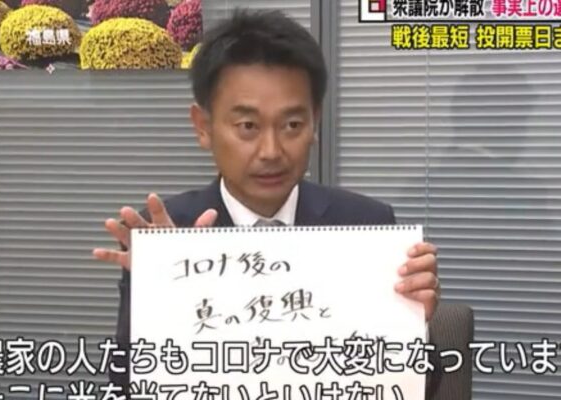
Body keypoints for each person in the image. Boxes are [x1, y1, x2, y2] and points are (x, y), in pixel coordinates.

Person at [93, 9, 441, 397]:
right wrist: (161, 300)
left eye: (292, 124)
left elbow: (421, 388)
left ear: (314, 122)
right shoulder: (169, 235)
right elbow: (125, 386)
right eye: (248, 126)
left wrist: (415, 325)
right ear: (203, 127)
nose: (272, 151)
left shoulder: (366, 226)